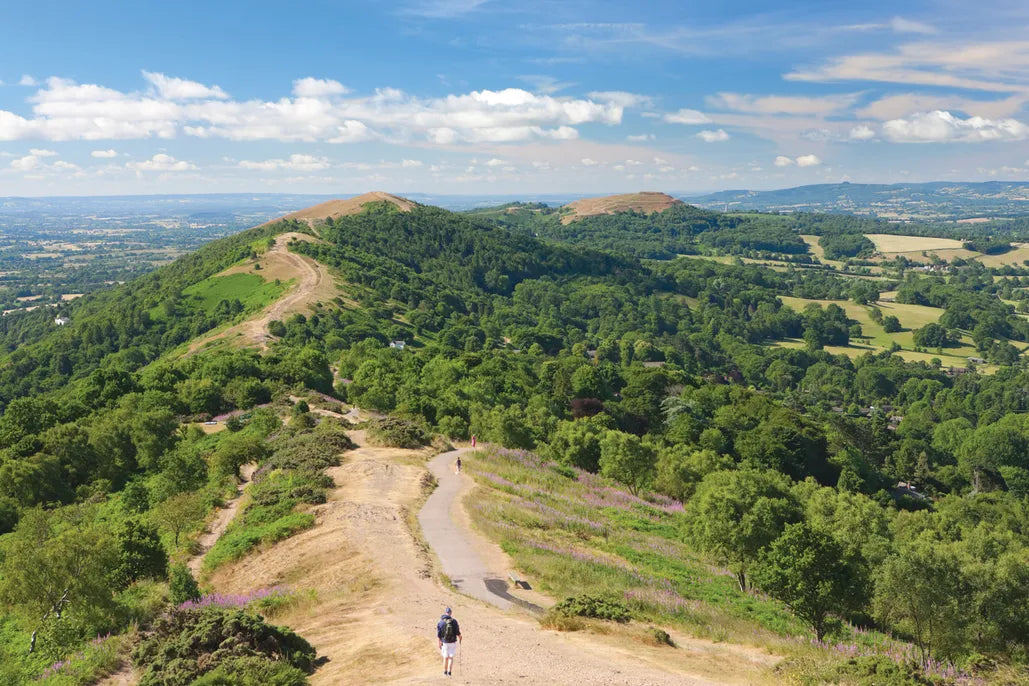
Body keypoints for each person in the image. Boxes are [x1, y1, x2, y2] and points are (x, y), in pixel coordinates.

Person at [436, 606, 462, 676]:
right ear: (450, 613)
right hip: (452, 642)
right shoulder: (454, 621)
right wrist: (460, 637)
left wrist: (439, 642)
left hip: (445, 642)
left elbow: (439, 634)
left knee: (445, 657)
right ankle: (449, 672)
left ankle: (445, 672)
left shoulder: (441, 622)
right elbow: (457, 632)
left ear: (445, 613)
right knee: (450, 657)